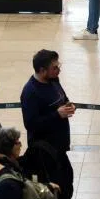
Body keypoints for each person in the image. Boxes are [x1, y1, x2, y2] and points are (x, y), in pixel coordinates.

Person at [19, 49, 75, 179]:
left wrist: (68, 104)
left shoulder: (54, 80)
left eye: (58, 66)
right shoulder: (30, 93)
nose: (58, 70)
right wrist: (57, 114)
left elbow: (63, 97)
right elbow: (31, 124)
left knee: (67, 182)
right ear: (42, 70)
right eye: (55, 68)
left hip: (60, 148)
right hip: (45, 153)